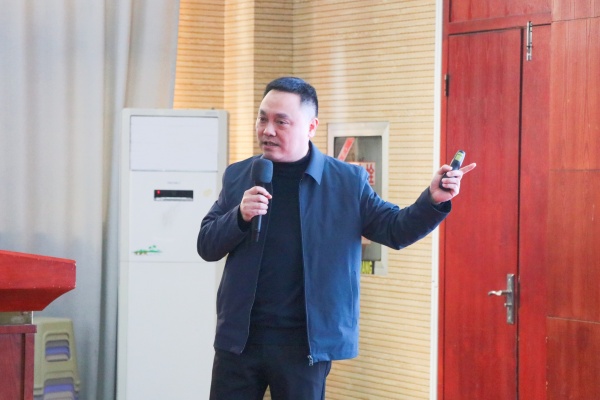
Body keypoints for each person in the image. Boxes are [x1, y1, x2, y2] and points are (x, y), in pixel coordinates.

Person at [197, 76, 476, 400]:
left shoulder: (346, 181)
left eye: (281, 121)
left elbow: (395, 229)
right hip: (239, 340)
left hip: (305, 345)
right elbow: (207, 245)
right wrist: (239, 217)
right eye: (262, 119)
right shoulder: (239, 175)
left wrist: (433, 200)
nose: (267, 130)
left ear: (311, 126)